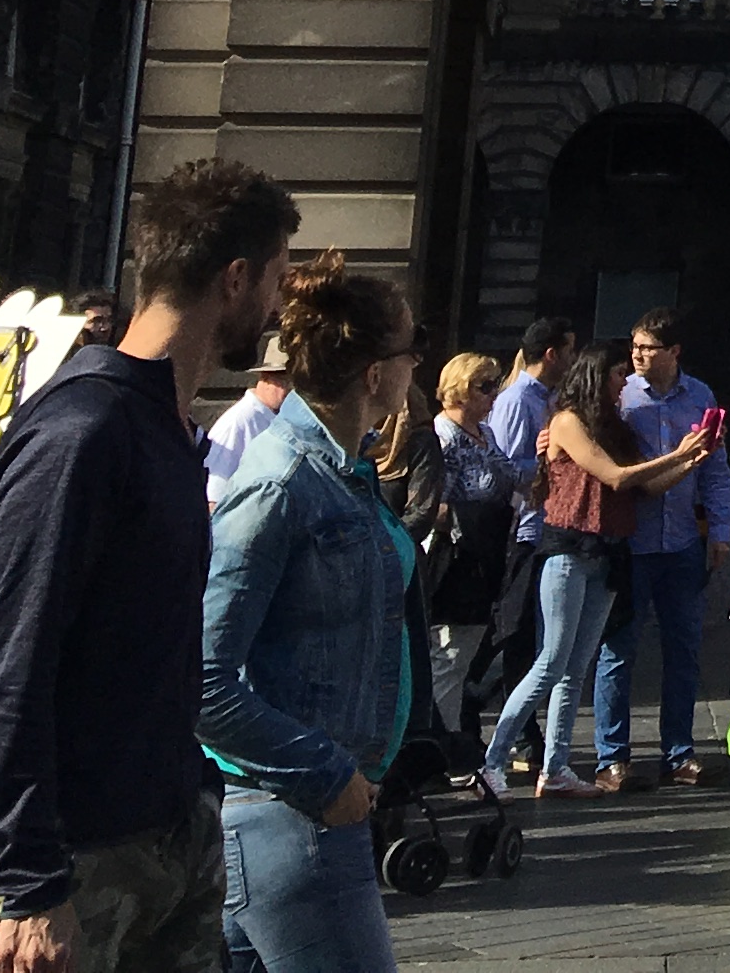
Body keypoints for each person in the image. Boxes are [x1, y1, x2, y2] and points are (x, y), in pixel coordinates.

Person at [0, 156, 300, 973]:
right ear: (235, 278)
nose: (278, 308)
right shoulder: (84, 429)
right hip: (67, 864)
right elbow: (12, 667)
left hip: (164, 840)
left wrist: (193, 798)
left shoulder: (165, 428)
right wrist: (31, 882)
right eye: (277, 279)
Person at [204, 260, 427, 973]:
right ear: (374, 373)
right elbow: (200, 676)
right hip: (294, 817)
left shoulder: (343, 472)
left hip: (314, 813)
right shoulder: (283, 481)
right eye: (411, 349)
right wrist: (327, 775)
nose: (418, 365)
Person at [481, 348, 712, 799]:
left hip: (608, 554)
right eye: (617, 374)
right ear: (595, 376)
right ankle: (492, 762)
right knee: (550, 663)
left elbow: (645, 486)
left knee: (576, 669)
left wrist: (691, 461)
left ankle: (556, 768)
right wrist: (676, 454)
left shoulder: (617, 428)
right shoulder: (567, 421)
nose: (623, 382)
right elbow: (615, 477)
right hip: (568, 549)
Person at [593, 307, 730, 792]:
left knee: (684, 649)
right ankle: (611, 757)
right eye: (633, 345)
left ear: (673, 351)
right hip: (630, 540)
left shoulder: (699, 396)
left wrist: (720, 530)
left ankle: (679, 753)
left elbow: (715, 468)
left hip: (681, 541)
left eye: (647, 347)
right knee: (618, 650)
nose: (636, 355)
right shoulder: (620, 394)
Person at [380, 352, 515, 737]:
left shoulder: (484, 434)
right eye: (485, 386)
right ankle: (439, 740)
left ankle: (451, 735)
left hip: (483, 553)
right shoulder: (442, 436)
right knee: (449, 654)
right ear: (460, 389)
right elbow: (431, 505)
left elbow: (509, 478)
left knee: (466, 654)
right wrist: (468, 518)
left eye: (495, 385)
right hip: (451, 556)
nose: (493, 395)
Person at [473, 322, 573, 718]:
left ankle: (519, 721)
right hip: (524, 528)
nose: (573, 359)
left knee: (530, 631)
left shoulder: (550, 398)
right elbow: (506, 469)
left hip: (544, 526)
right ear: (551, 354)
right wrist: (554, 459)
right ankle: (482, 701)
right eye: (569, 350)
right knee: (514, 629)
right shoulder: (517, 400)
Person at [203, 338, 294, 502]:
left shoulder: (278, 418)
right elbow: (214, 495)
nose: (292, 390)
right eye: (285, 381)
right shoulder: (238, 423)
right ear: (266, 378)